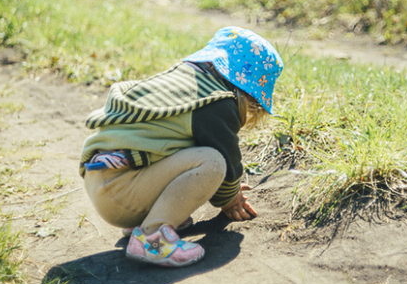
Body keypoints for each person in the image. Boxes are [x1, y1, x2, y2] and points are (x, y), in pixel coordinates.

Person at [79, 27, 284, 267]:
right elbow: (227, 164)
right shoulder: (217, 102)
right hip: (121, 193)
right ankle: (151, 238)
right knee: (212, 162)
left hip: (104, 182)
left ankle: (150, 217)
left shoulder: (185, 81)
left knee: (188, 149)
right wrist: (231, 199)